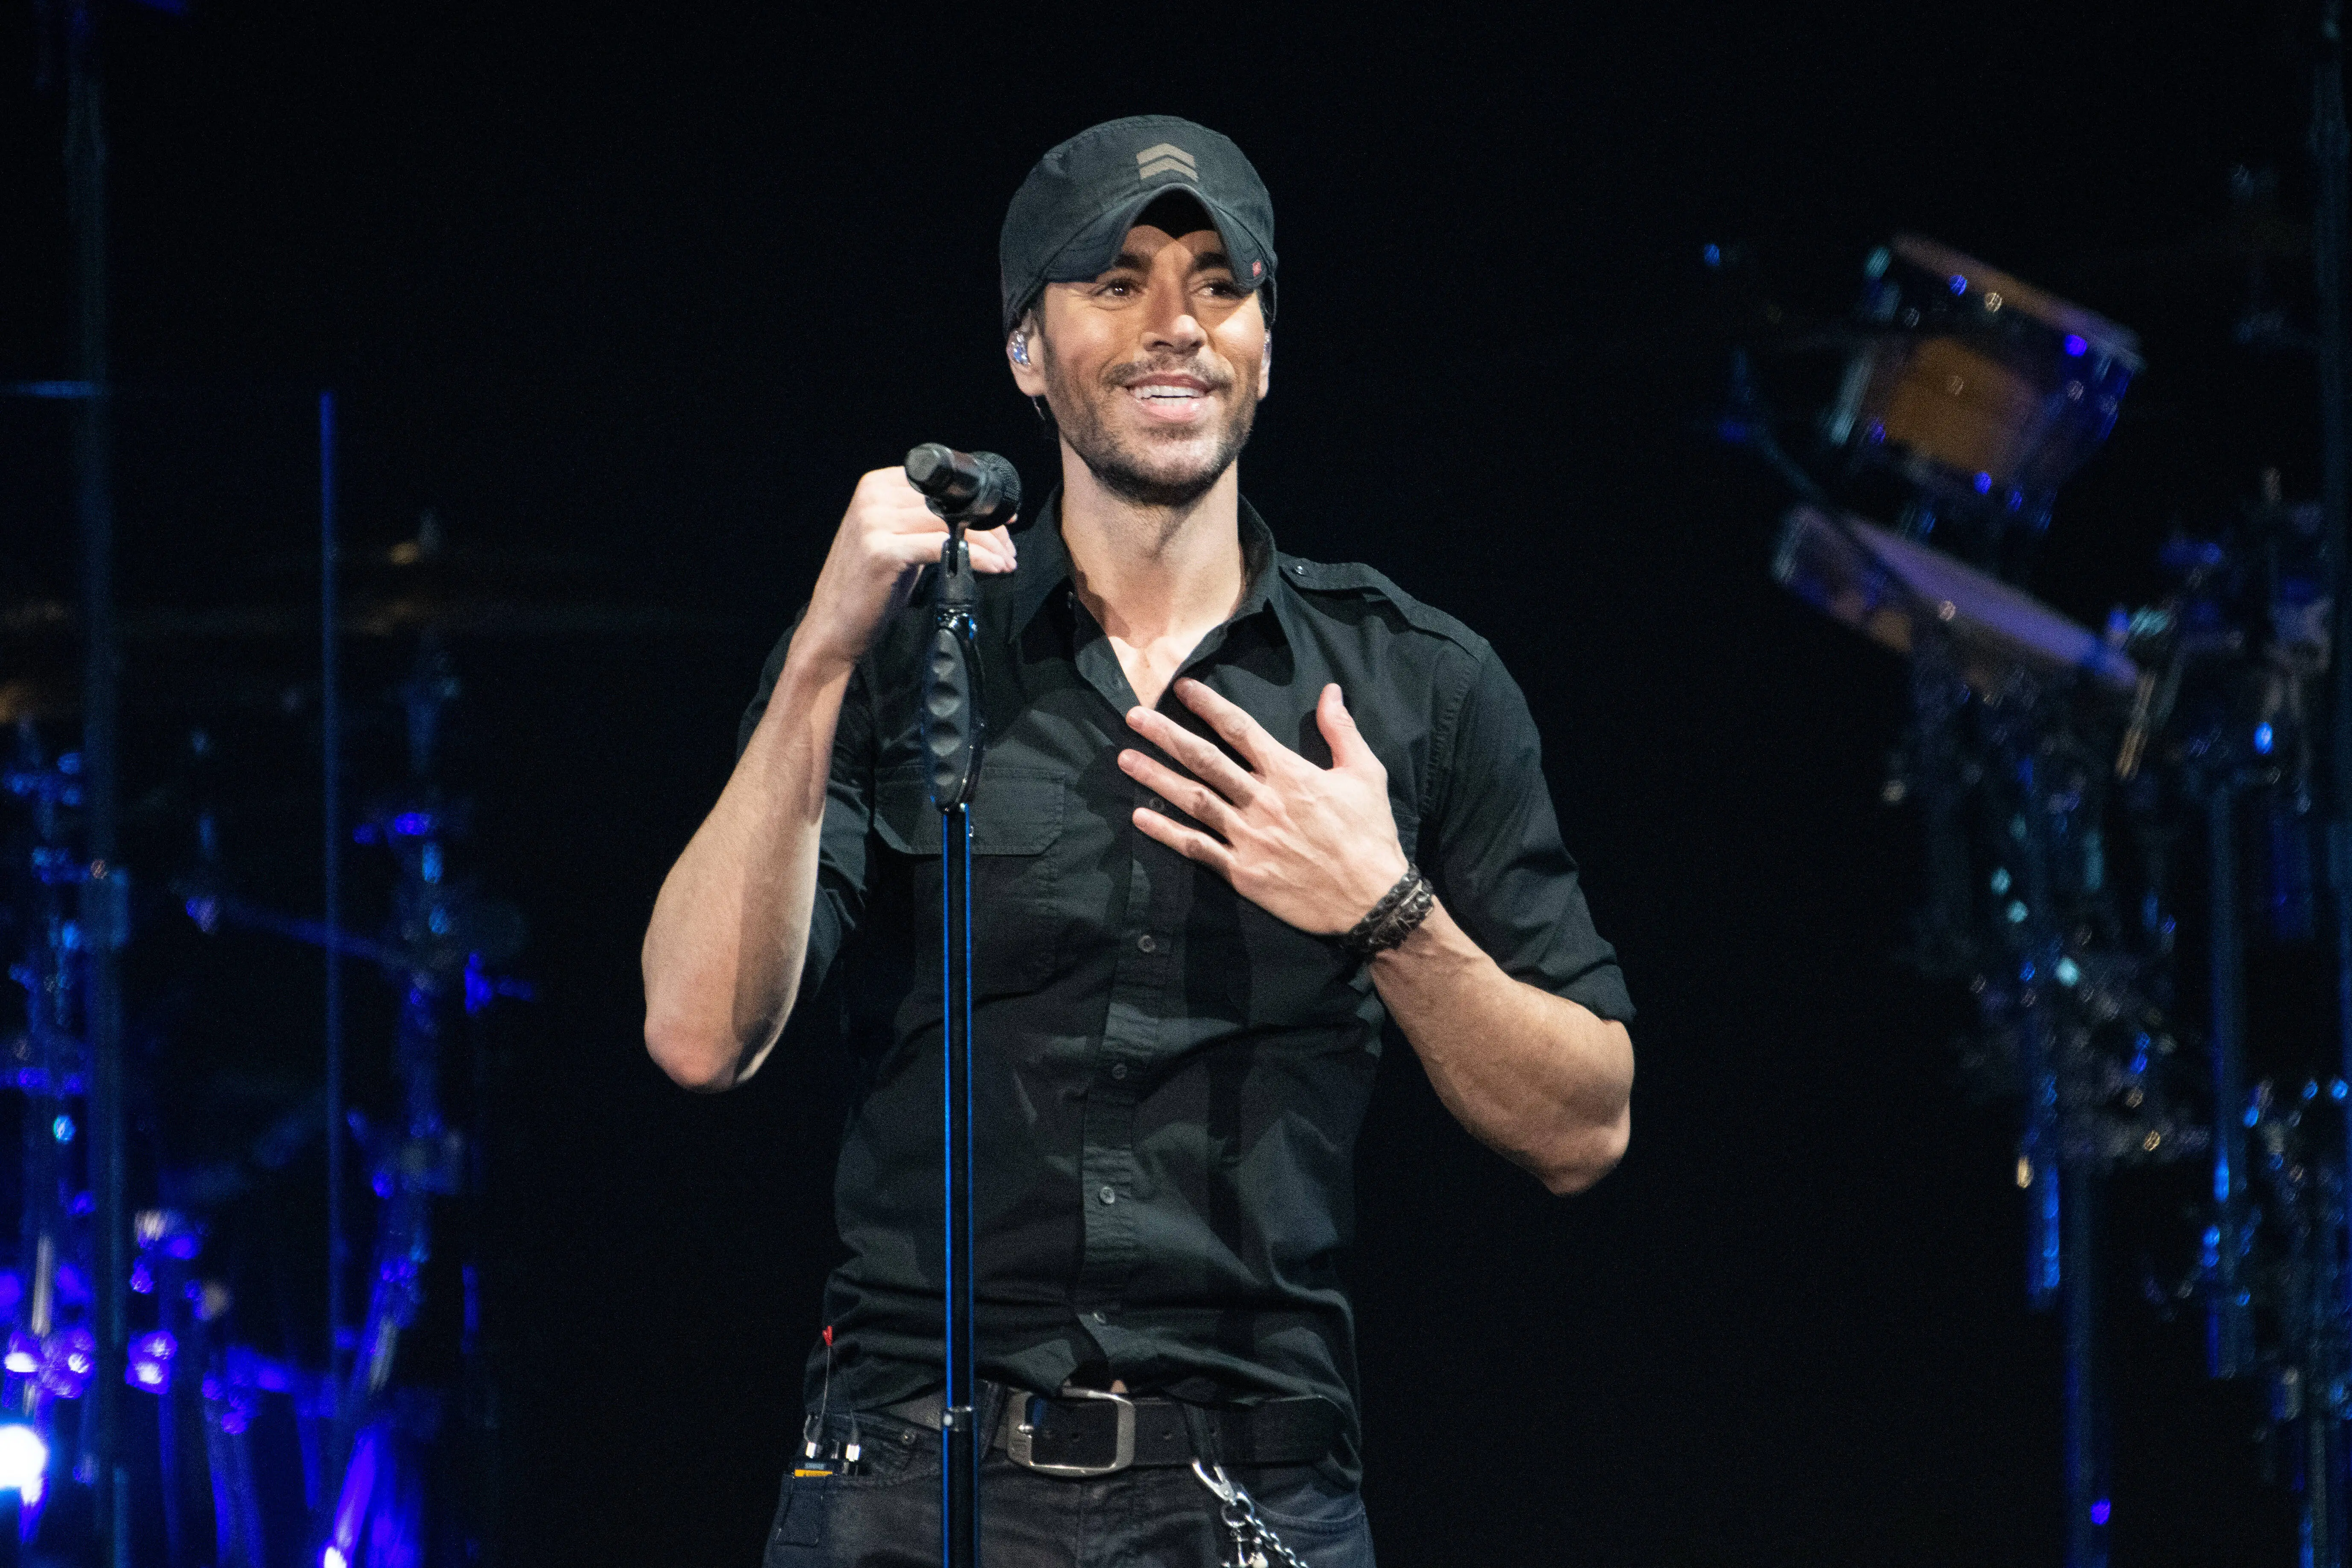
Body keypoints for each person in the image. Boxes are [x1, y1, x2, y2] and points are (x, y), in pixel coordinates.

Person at [640, 114, 1635, 1568]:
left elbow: (1588, 1123)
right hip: (913, 1475)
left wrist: (1387, 909)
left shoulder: (1413, 684)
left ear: (1268, 348)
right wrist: (820, 658)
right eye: (1117, 282)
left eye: (1221, 284)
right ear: (1026, 351)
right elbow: (696, 1034)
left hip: (1254, 1486)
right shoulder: (909, 648)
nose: (1178, 323)